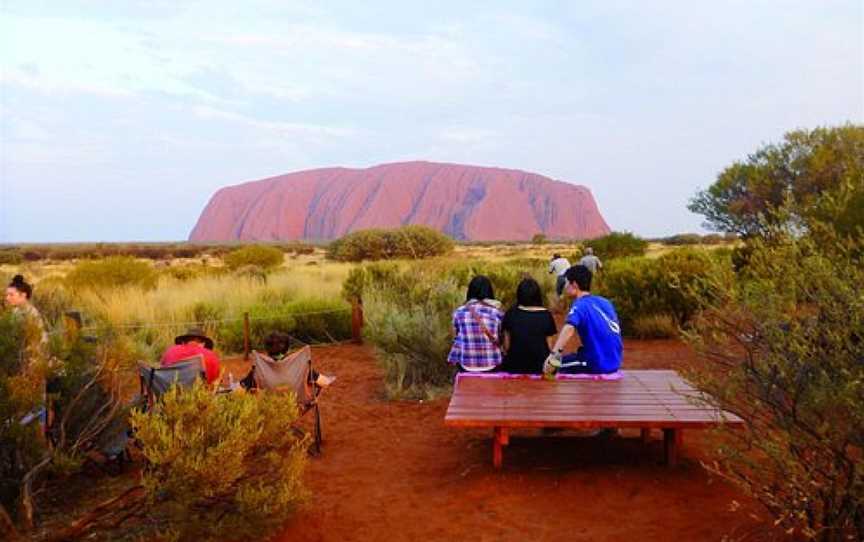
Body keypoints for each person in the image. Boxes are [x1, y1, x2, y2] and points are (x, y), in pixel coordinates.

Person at [545, 265, 622, 375]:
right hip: (614, 361)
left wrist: (553, 354)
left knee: (547, 367)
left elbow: (569, 328)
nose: (565, 287)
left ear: (574, 284)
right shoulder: (605, 302)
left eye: (567, 283)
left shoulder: (580, 305)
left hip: (597, 363)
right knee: (572, 357)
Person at [501, 278, 557, 374]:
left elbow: (506, 346)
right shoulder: (546, 315)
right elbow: (549, 346)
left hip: (514, 366)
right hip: (540, 366)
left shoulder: (510, 314)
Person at [447, 275, 504, 372]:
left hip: (466, 365)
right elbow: (500, 336)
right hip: (492, 364)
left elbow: (455, 337)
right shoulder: (497, 312)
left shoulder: (459, 312)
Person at [255, 331, 335, 388]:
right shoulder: (300, 367)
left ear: (267, 349)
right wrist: (328, 379)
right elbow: (325, 383)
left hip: (269, 408)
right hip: (295, 406)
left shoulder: (260, 369)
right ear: (287, 349)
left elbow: (242, 388)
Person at [5, 274, 49, 373]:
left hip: (31, 362)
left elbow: (37, 342)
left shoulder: (31, 314)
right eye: (7, 295)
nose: (7, 298)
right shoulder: (16, 312)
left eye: (11, 295)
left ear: (23, 295)